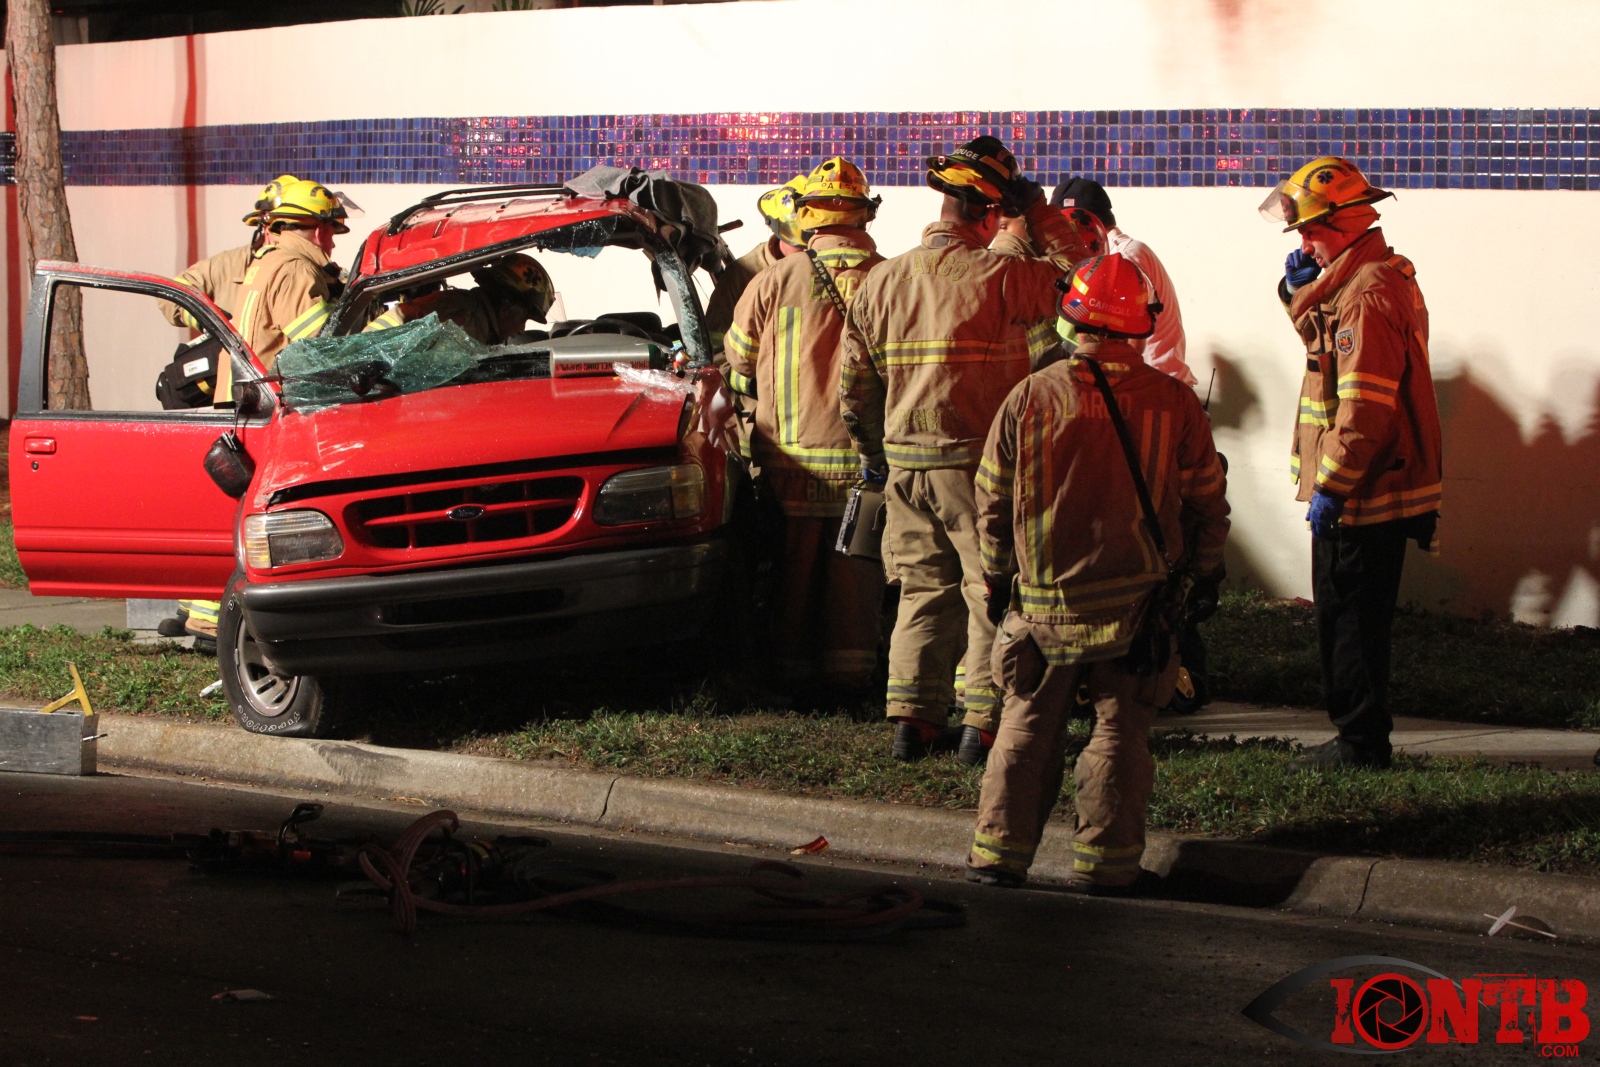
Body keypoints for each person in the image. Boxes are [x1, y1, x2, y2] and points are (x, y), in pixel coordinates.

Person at [966, 253, 1229, 892]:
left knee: (1025, 729)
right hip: (1137, 610)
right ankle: (1106, 867)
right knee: (1118, 735)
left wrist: (1000, 577)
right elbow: (1204, 503)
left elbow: (992, 502)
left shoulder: (1028, 397)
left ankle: (999, 856)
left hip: (1043, 605)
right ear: (1141, 326)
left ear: (1071, 319)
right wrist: (1205, 571)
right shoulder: (1174, 405)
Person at [839, 136, 1096, 763]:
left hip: (904, 465)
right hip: (978, 467)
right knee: (990, 592)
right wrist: (1036, 210)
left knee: (923, 589)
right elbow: (1086, 277)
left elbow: (854, 387)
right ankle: (980, 726)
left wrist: (877, 454)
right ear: (990, 213)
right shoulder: (1003, 275)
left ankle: (912, 721)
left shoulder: (878, 281)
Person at [1261, 156, 1441, 770]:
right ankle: (1359, 736)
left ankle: (1360, 743)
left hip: (1362, 492)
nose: (1304, 242)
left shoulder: (1366, 294)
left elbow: (1363, 408)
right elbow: (1324, 345)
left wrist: (1332, 487)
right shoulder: (1367, 276)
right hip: (1366, 486)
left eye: (1309, 231)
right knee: (1351, 617)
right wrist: (1297, 290)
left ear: (1341, 223)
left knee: (1350, 622)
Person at [722, 158, 885, 694]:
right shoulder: (891, 278)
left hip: (789, 460)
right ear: (865, 215)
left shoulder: (775, 280)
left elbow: (740, 359)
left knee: (791, 569)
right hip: (867, 462)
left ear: (808, 216)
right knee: (855, 571)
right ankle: (850, 676)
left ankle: (789, 674)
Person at [1051, 177, 1194, 387]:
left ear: (1078, 221)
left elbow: (1131, 338)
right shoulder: (1125, 252)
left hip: (1151, 388)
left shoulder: (1120, 259)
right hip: (1151, 382)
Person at [233, 178, 356, 377]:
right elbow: (325, 346)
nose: (332, 245)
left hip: (247, 391)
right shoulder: (295, 269)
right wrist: (396, 317)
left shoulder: (270, 259)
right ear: (320, 231)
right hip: (264, 397)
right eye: (332, 235)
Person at [157, 174, 298, 330]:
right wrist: (211, 321)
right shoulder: (229, 266)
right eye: (280, 227)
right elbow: (170, 295)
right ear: (264, 226)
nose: (289, 236)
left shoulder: (312, 272)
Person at [705, 175, 809, 358]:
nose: (809, 250)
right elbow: (715, 346)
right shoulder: (743, 275)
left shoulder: (835, 268)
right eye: (800, 243)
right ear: (777, 230)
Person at [364, 253, 555, 345]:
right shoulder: (467, 321)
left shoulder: (472, 310)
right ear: (506, 306)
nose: (521, 330)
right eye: (523, 318)